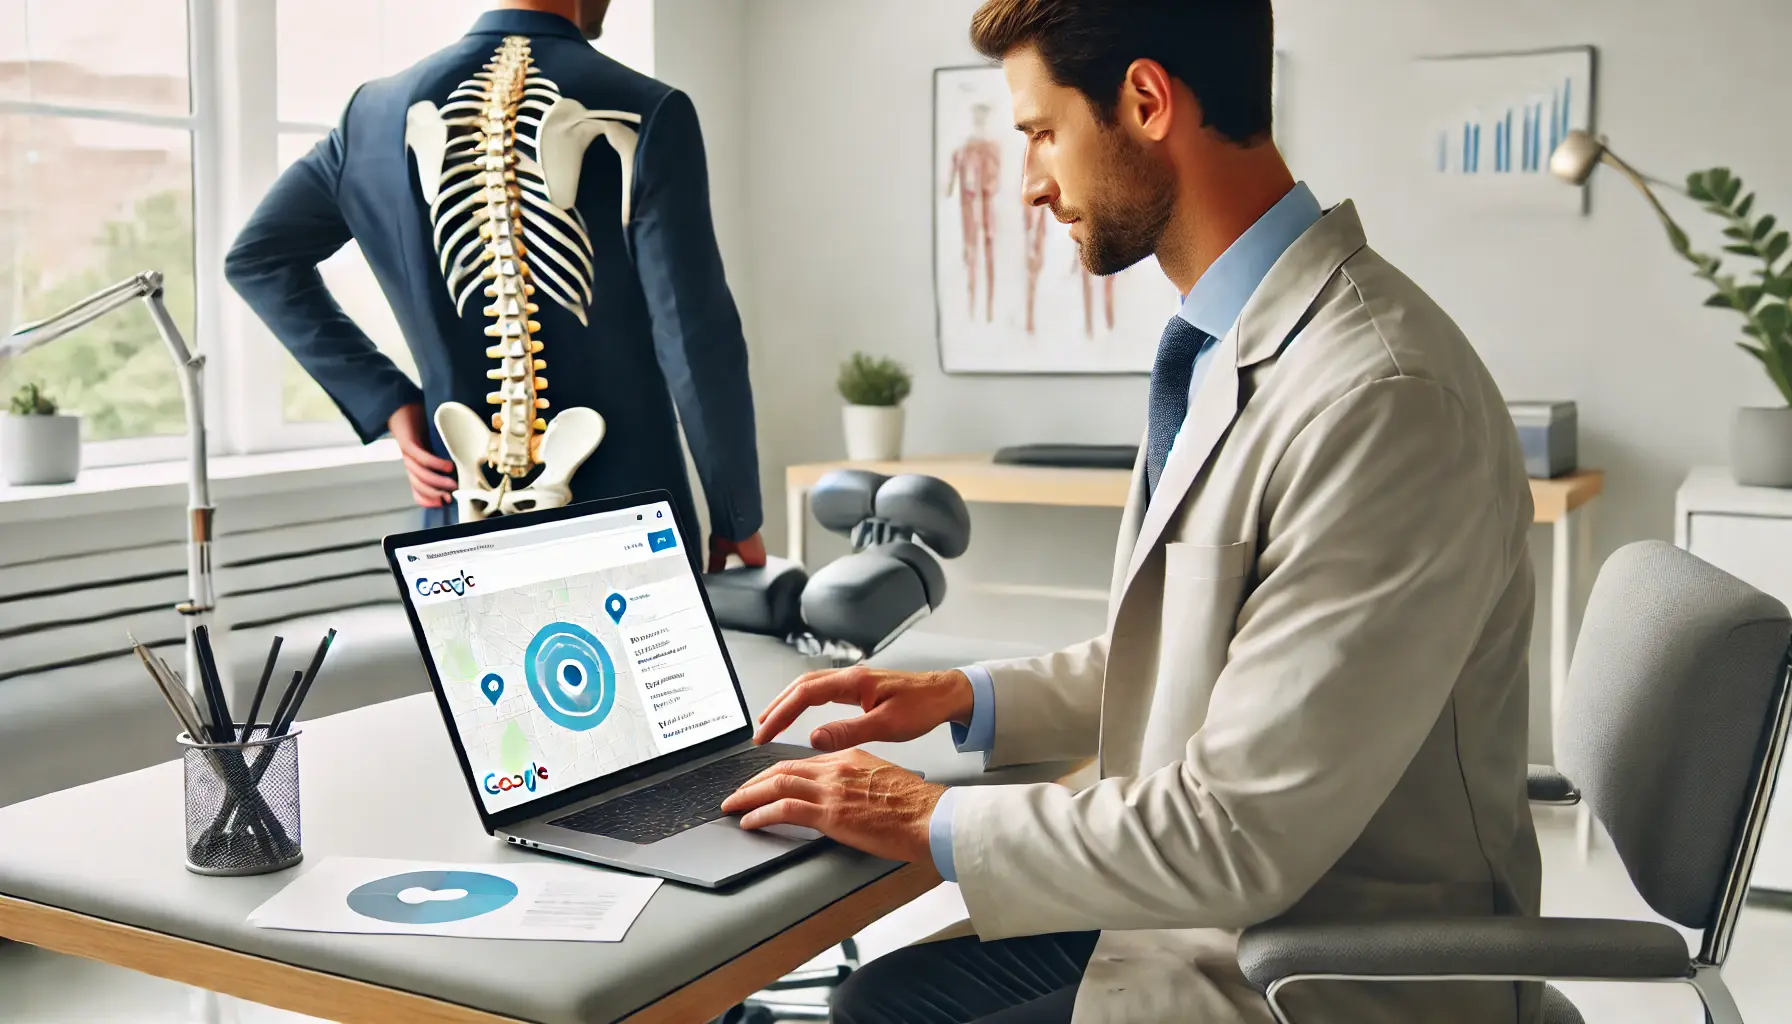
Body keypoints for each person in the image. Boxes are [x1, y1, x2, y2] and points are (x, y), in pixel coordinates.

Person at [722, 2, 1540, 1022]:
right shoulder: (1229, 341)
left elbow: (1237, 834)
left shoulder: (1380, 397)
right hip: (1218, 918)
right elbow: (1196, 655)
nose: (1028, 184)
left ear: (1147, 101)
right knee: (880, 999)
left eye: (1038, 133)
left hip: (1313, 967)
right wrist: (966, 695)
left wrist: (928, 811)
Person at [225, 0, 765, 573]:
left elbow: (258, 258)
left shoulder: (375, 114)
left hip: (460, 515)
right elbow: (694, 337)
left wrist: (389, 401)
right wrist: (735, 516)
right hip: (629, 520)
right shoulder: (648, 110)